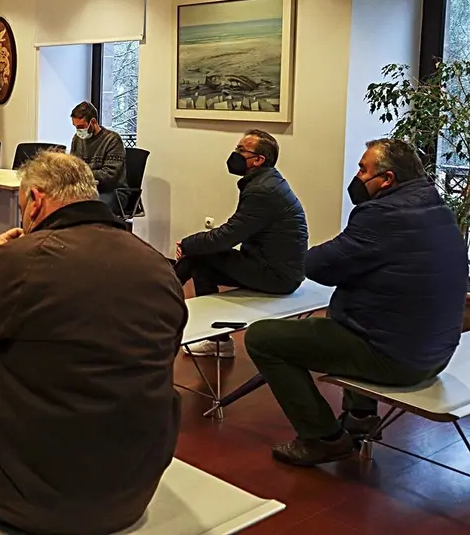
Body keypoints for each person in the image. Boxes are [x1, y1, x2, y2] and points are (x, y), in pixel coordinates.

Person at [0, 151, 186, 534]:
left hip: (42, 486)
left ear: (36, 200)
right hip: (135, 483)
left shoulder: (23, 260)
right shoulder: (157, 265)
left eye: (22, 205)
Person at [245, 139, 468, 467]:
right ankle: (361, 417)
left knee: (262, 338)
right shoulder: (439, 211)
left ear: (388, 179)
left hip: (398, 359)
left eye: (364, 169)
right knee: (355, 316)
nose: (358, 176)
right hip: (437, 354)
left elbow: (317, 265)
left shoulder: (382, 215)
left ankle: (322, 438)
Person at [174, 129, 308, 358]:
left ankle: (153, 307)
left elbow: (227, 236)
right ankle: (214, 338)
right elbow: (232, 234)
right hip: (277, 268)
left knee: (199, 257)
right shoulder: (267, 182)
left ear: (258, 160)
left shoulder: (262, 190)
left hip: (278, 275)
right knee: (202, 259)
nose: (234, 153)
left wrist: (188, 244)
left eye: (241, 150)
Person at [68, 101, 126, 207]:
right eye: (76, 127)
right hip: (86, 189)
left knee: (92, 207)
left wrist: (81, 173)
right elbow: (73, 168)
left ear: (93, 122)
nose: (78, 130)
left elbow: (109, 176)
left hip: (113, 192)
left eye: (81, 126)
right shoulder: (77, 139)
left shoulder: (112, 139)